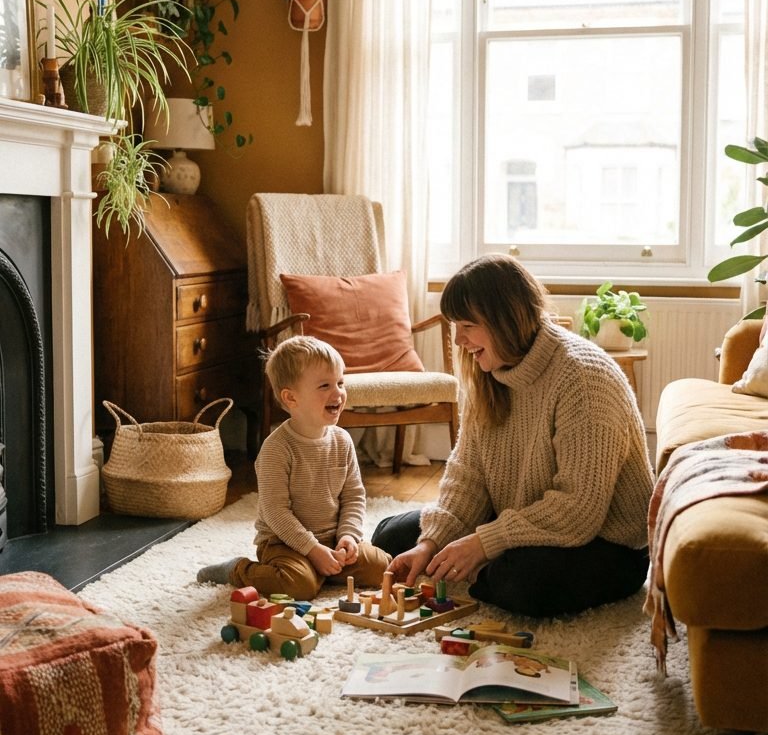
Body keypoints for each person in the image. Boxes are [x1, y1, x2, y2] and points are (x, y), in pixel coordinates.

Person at [374, 255, 654, 618]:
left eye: (467, 326)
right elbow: (467, 476)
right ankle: (481, 564)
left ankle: (489, 567)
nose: (458, 340)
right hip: (522, 516)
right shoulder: (489, 373)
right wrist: (430, 544)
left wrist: (483, 543)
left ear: (504, 320)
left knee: (520, 581)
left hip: (606, 543)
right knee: (390, 538)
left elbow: (578, 511)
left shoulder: (584, 376)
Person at [196, 335, 390, 599]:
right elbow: (276, 512)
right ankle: (238, 570)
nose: (338, 393)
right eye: (324, 385)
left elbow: (354, 496)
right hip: (284, 543)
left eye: (340, 383)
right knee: (299, 586)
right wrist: (312, 550)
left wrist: (348, 536)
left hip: (331, 537)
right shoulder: (277, 449)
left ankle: (323, 571)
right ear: (291, 398)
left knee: (381, 567)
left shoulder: (342, 441)